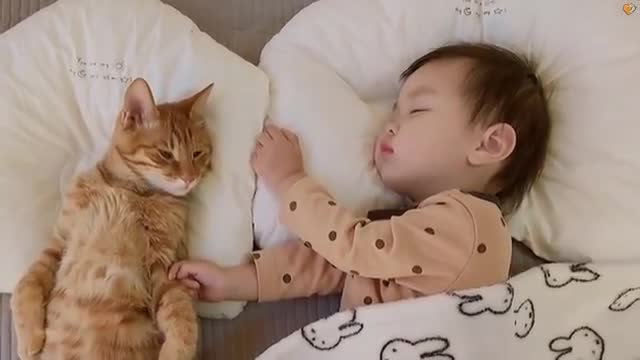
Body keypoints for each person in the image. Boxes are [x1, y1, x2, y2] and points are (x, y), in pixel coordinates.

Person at [168, 43, 551, 310]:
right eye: (393, 112)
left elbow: (353, 247)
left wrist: (289, 181)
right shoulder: (417, 227)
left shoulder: (471, 226)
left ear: (491, 144)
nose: (389, 125)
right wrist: (234, 282)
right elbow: (335, 265)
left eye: (416, 111)